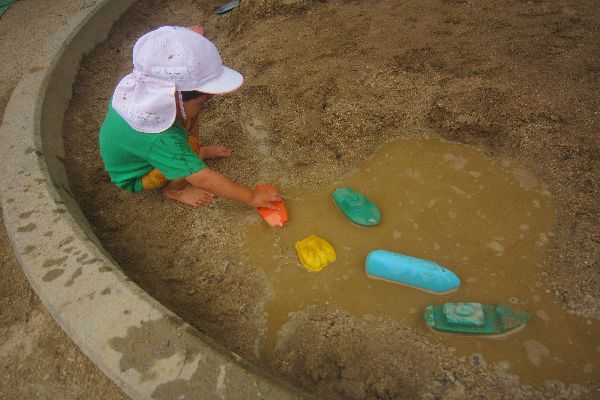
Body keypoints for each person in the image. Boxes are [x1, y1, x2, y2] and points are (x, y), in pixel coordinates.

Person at [99, 25, 280, 209]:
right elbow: (203, 179)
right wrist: (252, 197)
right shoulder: (161, 139)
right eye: (202, 102)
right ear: (171, 97)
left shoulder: (139, 90)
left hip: (143, 150)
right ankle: (175, 189)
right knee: (187, 150)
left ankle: (198, 152)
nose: (205, 104)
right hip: (137, 175)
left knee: (190, 119)